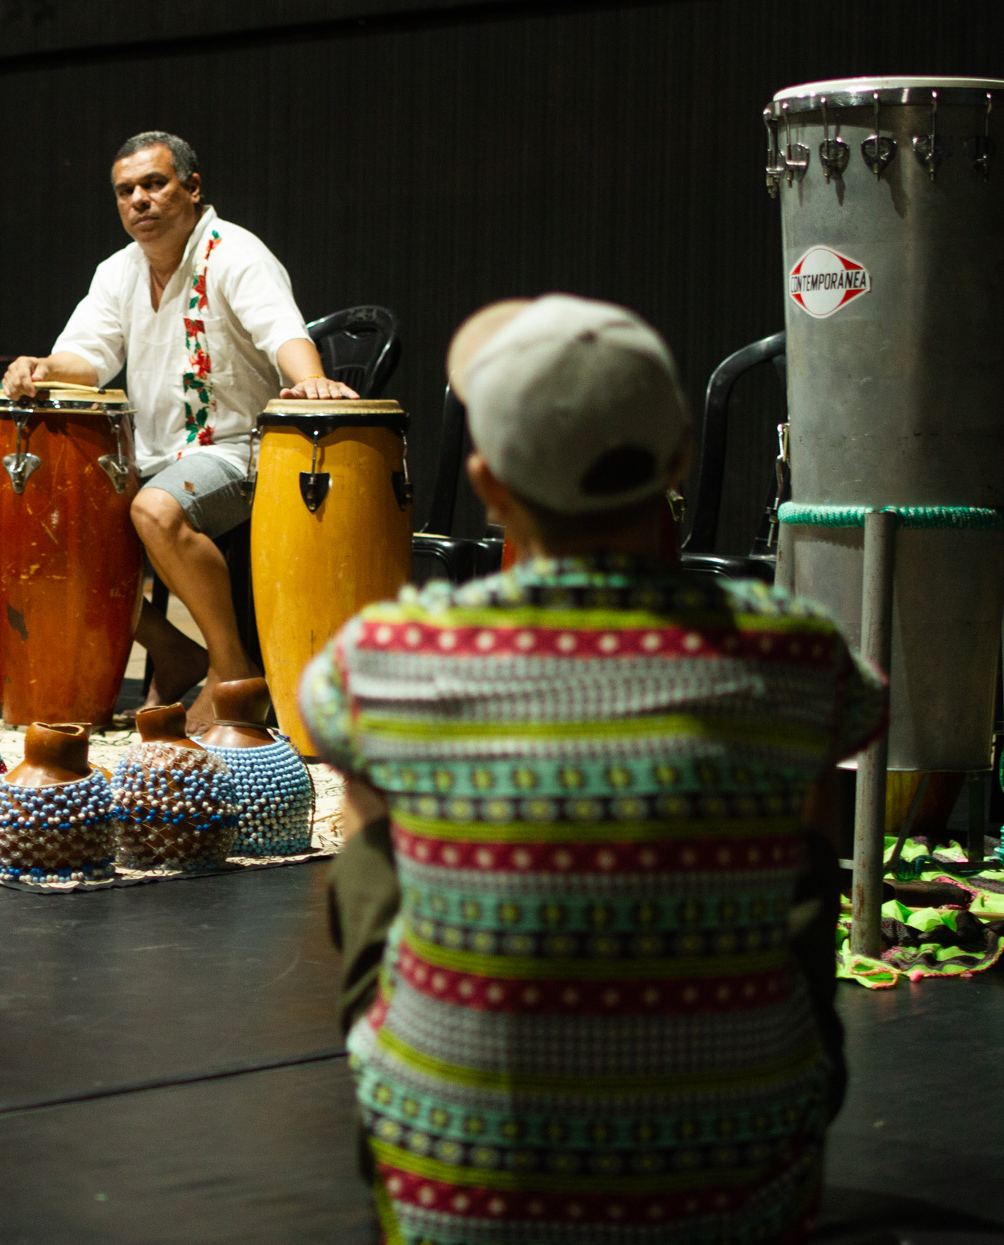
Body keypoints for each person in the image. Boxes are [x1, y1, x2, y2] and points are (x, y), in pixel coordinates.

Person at [302, 295, 881, 1244]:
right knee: (801, 776)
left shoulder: (388, 658)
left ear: (487, 484)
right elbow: (861, 716)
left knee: (371, 780)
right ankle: (769, 1055)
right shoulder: (796, 654)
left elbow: (324, 715)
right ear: (683, 457)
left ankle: (435, 1074)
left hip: (459, 1198)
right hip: (737, 1193)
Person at [1, 131, 355, 724]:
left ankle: (232, 669)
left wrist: (312, 379)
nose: (139, 199)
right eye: (125, 191)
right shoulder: (118, 272)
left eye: (154, 184)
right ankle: (172, 650)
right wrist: (40, 366)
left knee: (154, 511)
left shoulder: (236, 253)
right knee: (56, 528)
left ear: (192, 188)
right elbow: (87, 360)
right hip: (154, 457)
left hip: (243, 449)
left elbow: (284, 333)